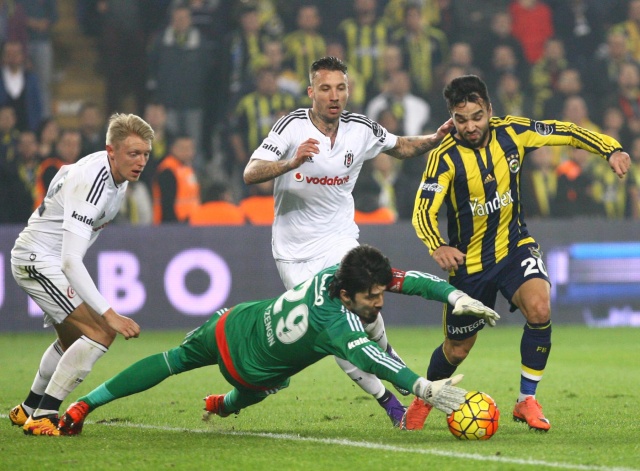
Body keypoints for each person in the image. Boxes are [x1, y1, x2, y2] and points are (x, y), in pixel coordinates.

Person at [57, 244, 500, 436]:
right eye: (372, 297)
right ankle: (223, 404)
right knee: (267, 385)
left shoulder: (338, 274)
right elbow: (373, 358)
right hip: (249, 371)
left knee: (172, 360)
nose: (380, 302)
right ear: (348, 296)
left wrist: (454, 296)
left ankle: (83, 405)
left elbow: (410, 281)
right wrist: (421, 386)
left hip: (230, 323)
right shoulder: (336, 325)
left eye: (381, 293)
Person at [407, 74, 631, 432]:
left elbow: (566, 131)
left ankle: (527, 399)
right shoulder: (443, 157)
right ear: (451, 117)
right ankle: (425, 397)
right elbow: (423, 211)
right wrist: (438, 245)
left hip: (514, 247)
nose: (470, 126)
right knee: (457, 348)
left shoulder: (513, 132)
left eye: (477, 116)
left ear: (489, 109)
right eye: (461, 120)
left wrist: (611, 148)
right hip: (470, 265)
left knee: (540, 308)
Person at [243, 56, 454, 427]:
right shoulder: (291, 126)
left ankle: (390, 361)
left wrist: (434, 139)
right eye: (325, 88)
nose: (334, 95)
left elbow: (401, 146)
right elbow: (251, 172)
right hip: (294, 252)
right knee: (335, 329)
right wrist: (290, 163)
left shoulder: (360, 128)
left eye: (340, 88)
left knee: (367, 303)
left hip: (339, 238)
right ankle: (390, 402)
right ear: (311, 92)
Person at [8, 113, 154, 436]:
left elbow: (62, 176)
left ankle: (28, 408)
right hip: (38, 261)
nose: (141, 161)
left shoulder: (114, 176)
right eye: (133, 153)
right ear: (111, 150)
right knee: (102, 331)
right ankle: (45, 414)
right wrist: (110, 314)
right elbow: (70, 261)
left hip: (43, 258)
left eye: (146, 154)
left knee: (73, 338)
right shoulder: (93, 181)